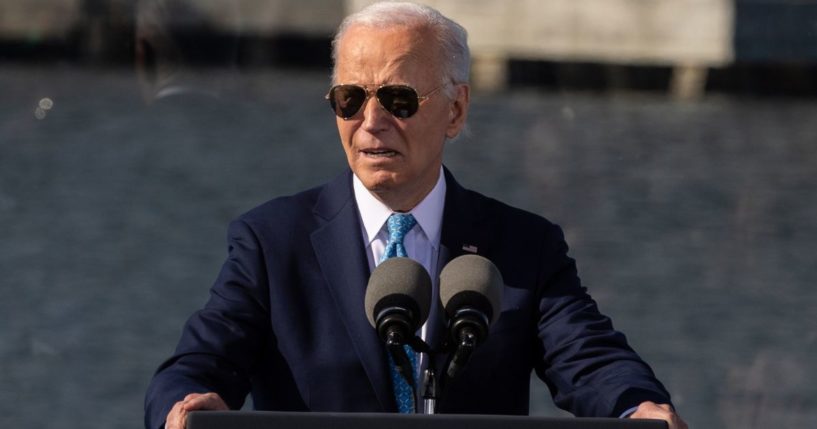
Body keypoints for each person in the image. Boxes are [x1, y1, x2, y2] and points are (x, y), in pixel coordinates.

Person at [144, 3, 688, 429]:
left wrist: (636, 408)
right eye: (350, 99)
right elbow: (198, 364)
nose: (371, 121)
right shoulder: (271, 242)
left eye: (399, 99)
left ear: (455, 110)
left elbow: (589, 360)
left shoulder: (522, 246)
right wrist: (185, 407)